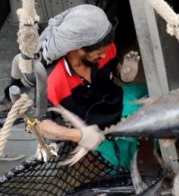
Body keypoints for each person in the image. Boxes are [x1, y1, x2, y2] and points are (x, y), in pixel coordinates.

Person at [34, 4, 147, 169]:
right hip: (94, 128)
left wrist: (124, 73)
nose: (104, 55)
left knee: (164, 100)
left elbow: (112, 67)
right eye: (99, 53)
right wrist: (78, 135)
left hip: (119, 100)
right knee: (128, 164)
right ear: (77, 49)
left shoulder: (106, 50)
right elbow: (39, 125)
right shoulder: (52, 80)